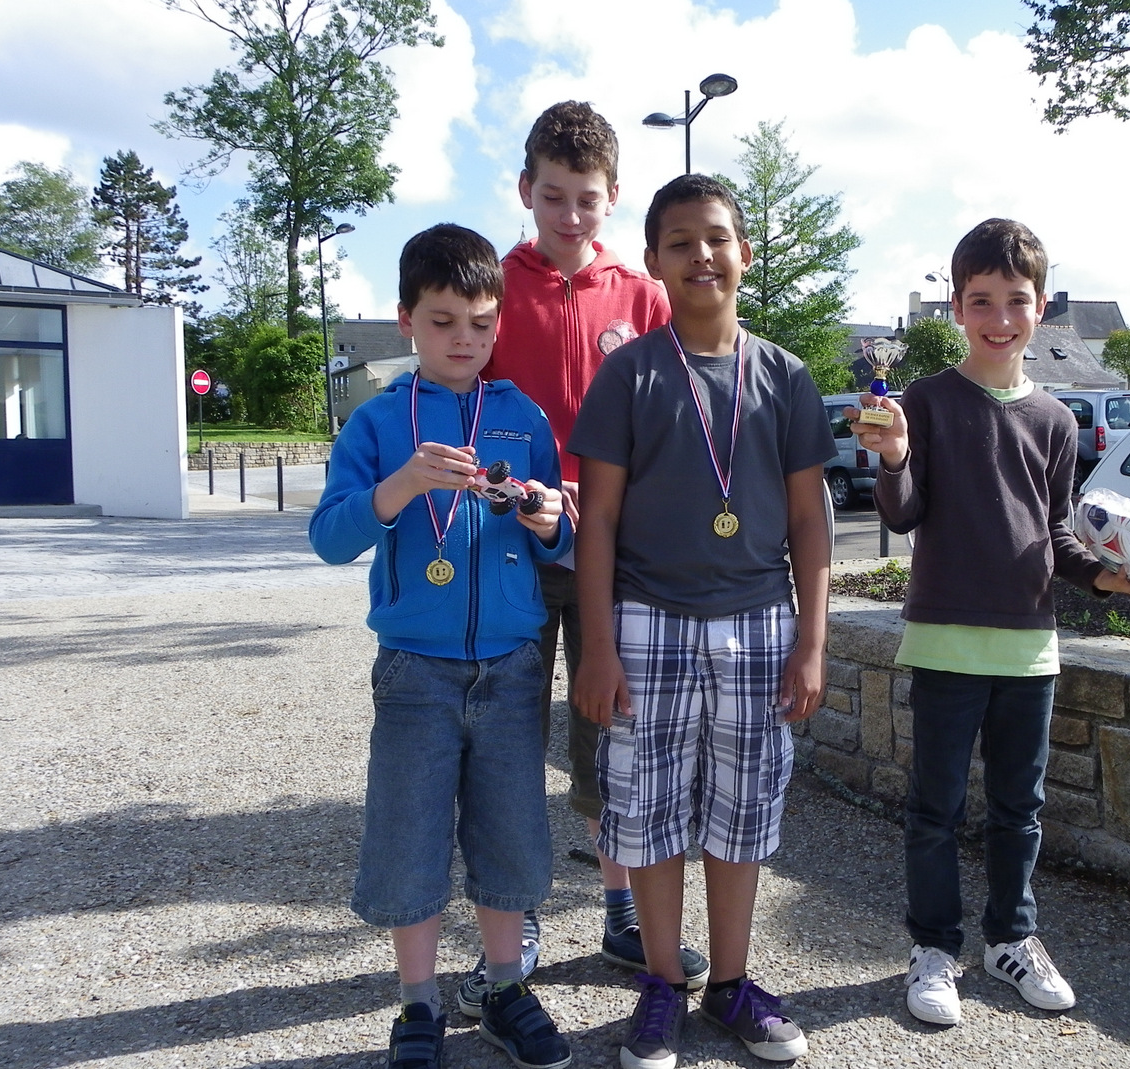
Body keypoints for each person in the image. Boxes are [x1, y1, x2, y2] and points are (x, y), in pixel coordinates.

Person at [854, 218, 1130, 1028]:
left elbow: (1058, 536)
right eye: (981, 300)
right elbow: (904, 513)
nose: (999, 318)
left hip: (1031, 646)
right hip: (945, 640)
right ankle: (934, 947)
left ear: (1042, 305)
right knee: (934, 808)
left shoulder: (1057, 421)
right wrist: (893, 457)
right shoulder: (925, 401)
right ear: (956, 305)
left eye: (1016, 300)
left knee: (1018, 809)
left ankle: (1010, 938)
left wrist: (1109, 577)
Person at [569, 174, 836, 1069]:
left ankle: (729, 981)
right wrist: (597, 646)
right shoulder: (630, 373)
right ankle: (658, 981)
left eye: (716, 238)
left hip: (758, 623)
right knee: (646, 810)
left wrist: (812, 641)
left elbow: (810, 523)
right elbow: (599, 519)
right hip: (647, 621)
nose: (701, 255)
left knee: (741, 809)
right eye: (679, 243)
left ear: (744, 253)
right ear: (653, 261)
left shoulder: (785, 376)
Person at [460, 101, 709, 1014]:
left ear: (612, 198)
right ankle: (517, 915)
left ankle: (620, 911)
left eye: (587, 199)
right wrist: (514, 487)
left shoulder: (641, 296)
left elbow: (673, 416)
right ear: (526, 189)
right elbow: (468, 407)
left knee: (615, 739)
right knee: (507, 743)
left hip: (614, 554)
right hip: (513, 551)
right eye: (554, 196)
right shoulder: (494, 288)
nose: (570, 215)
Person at [309, 224, 575, 1069]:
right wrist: (399, 485)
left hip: (511, 666)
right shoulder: (379, 421)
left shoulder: (521, 417)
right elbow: (328, 536)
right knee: (408, 836)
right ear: (406, 321)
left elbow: (558, 536)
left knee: (512, 837)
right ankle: (416, 1005)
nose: (465, 338)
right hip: (415, 671)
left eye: (481, 323)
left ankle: (504, 989)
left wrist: (548, 519)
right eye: (443, 320)